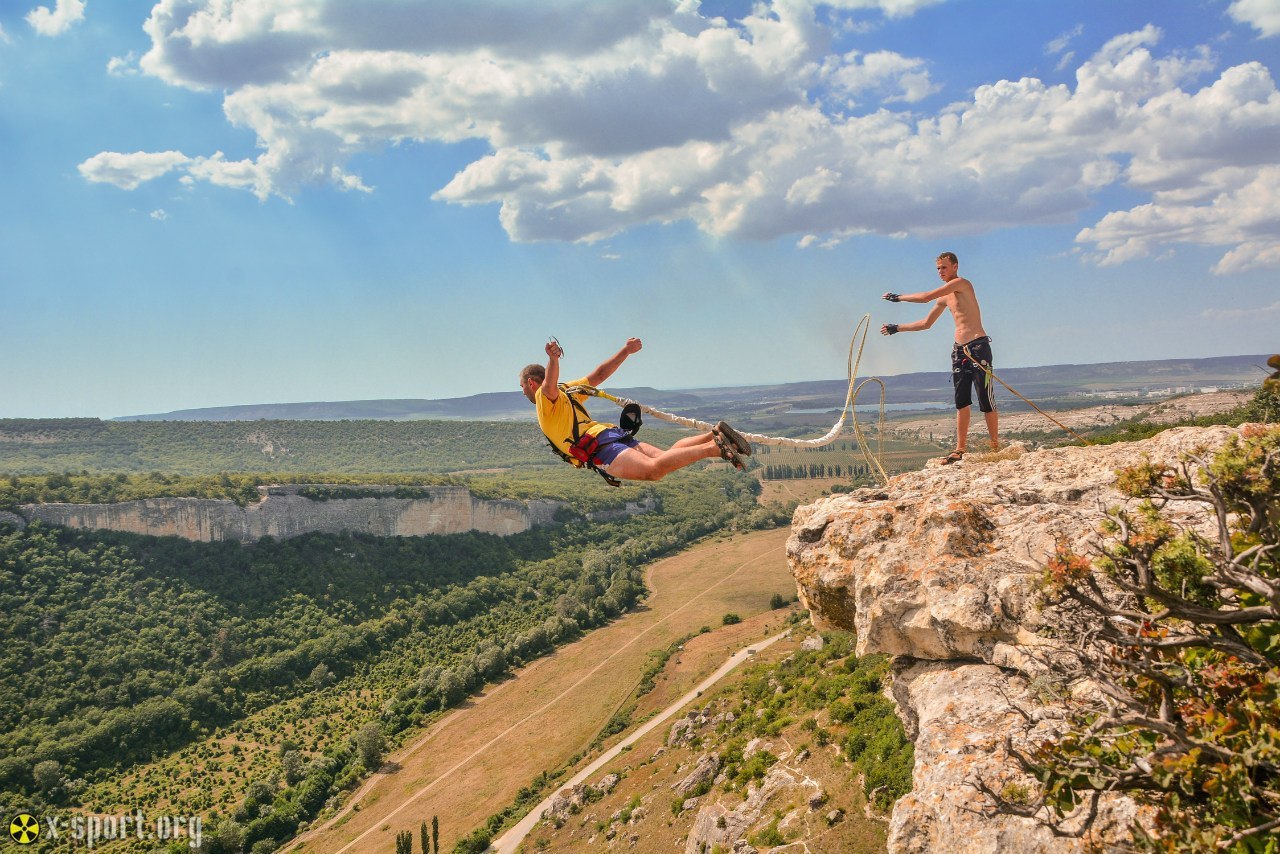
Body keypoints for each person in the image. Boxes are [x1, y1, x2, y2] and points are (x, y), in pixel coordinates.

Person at [519, 337, 752, 482]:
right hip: (608, 434)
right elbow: (599, 375)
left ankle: (714, 448)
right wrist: (625, 351)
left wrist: (553, 360)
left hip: (599, 447)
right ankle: (714, 433)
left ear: (531, 383)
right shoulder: (567, 390)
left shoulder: (545, 395)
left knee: (654, 471)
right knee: (665, 458)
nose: (523, 392)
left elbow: (547, 386)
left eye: (522, 387)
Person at [879, 252, 1000, 464]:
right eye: (937, 268)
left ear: (955, 266)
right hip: (959, 350)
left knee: (985, 398)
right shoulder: (945, 297)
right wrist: (897, 328)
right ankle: (960, 449)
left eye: (944, 267)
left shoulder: (962, 284)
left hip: (978, 347)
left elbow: (926, 297)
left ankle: (995, 447)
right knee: (961, 400)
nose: (940, 272)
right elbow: (926, 323)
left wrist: (898, 297)